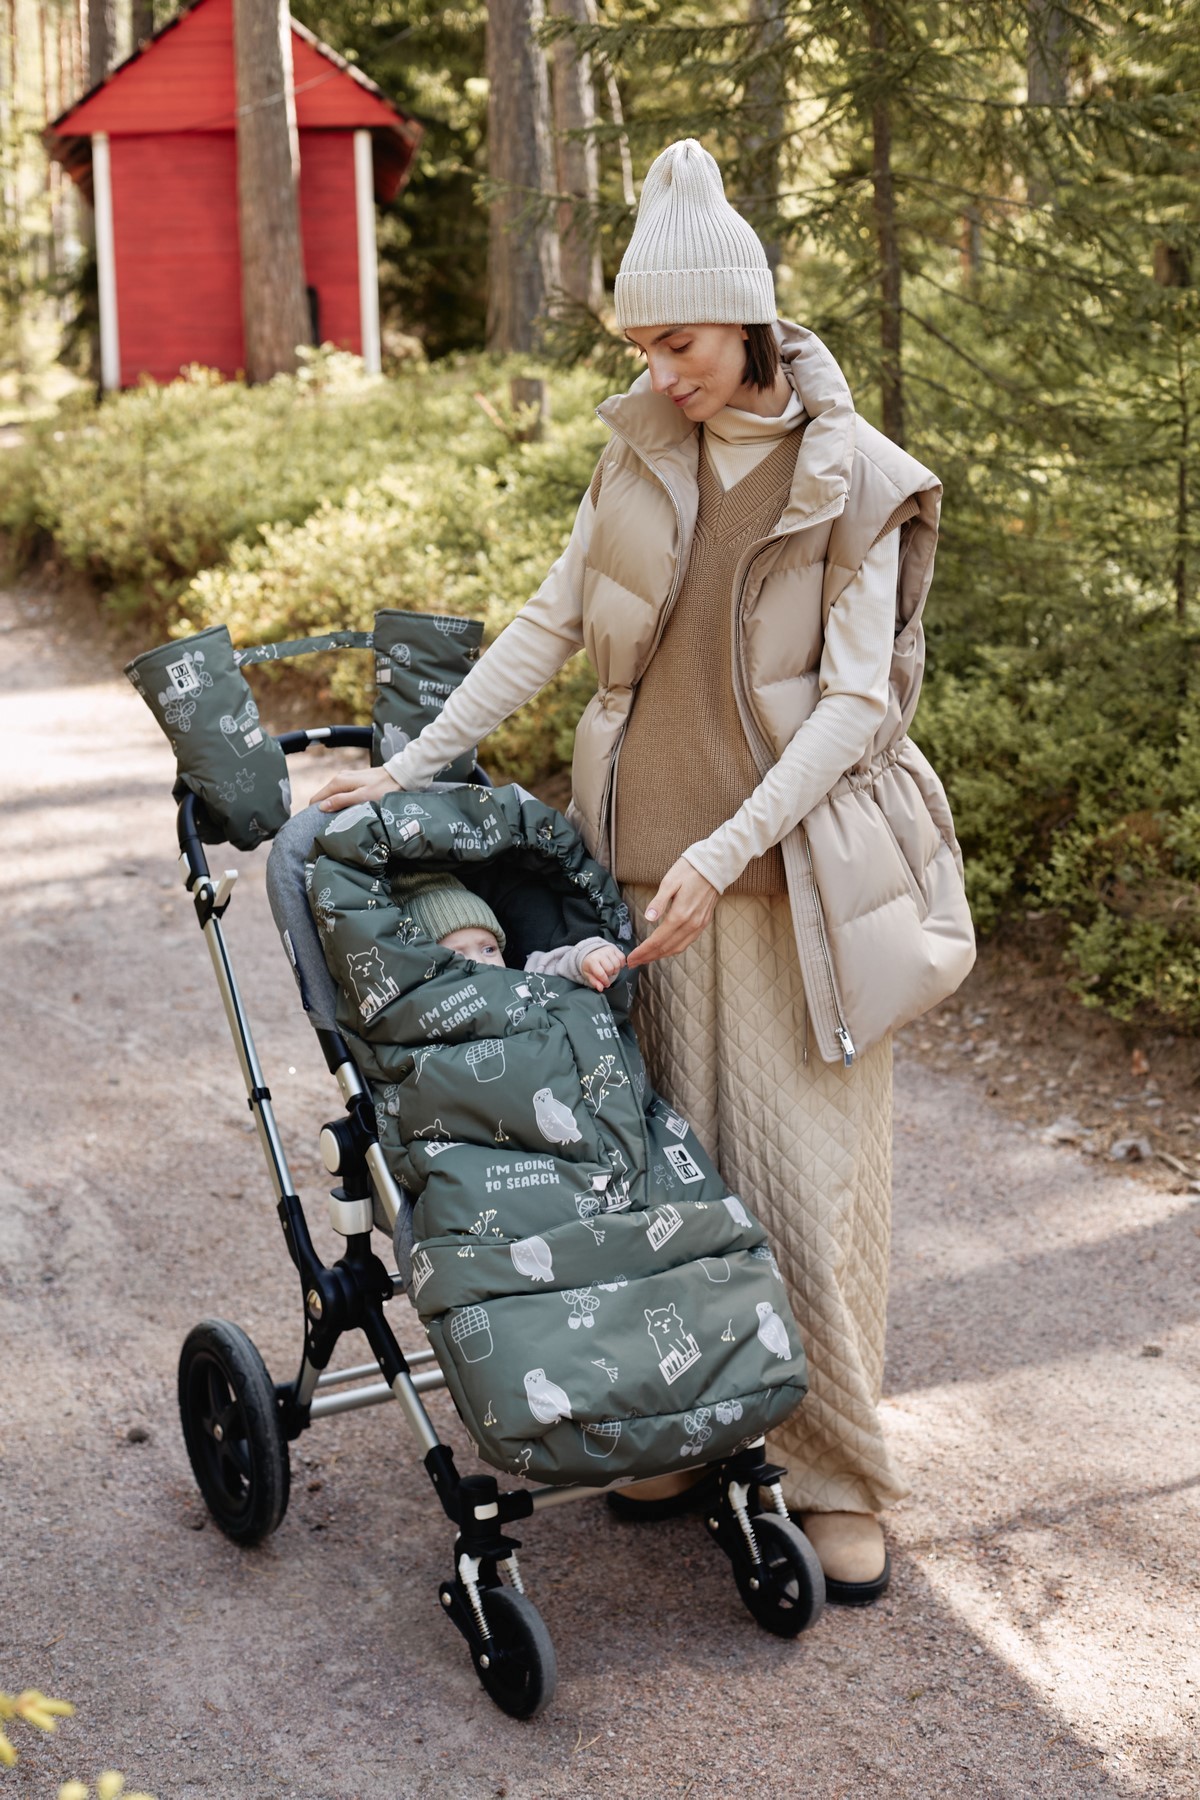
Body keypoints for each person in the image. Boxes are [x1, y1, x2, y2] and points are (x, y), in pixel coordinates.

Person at [314, 138, 974, 1605]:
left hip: (790, 889)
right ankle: (688, 1425)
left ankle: (839, 1475)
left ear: (745, 317)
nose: (661, 371)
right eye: (640, 348)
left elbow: (856, 708)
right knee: (655, 1171)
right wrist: (411, 769)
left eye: (679, 343)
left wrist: (724, 853)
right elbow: (551, 622)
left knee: (806, 1189)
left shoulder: (859, 479)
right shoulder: (639, 454)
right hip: (633, 877)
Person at [393, 870, 626, 992]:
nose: (481, 963)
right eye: (458, 956)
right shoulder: (424, 1003)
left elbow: (560, 965)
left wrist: (590, 957)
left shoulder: (521, 979)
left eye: (488, 949)